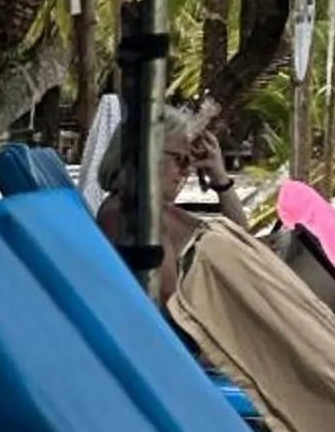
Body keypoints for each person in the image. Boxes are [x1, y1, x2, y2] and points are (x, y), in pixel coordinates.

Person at [98, 111, 248, 304]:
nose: (187, 171)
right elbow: (168, 302)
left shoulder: (148, 208)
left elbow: (242, 240)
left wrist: (220, 179)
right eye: (181, 160)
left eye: (190, 162)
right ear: (145, 154)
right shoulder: (130, 215)